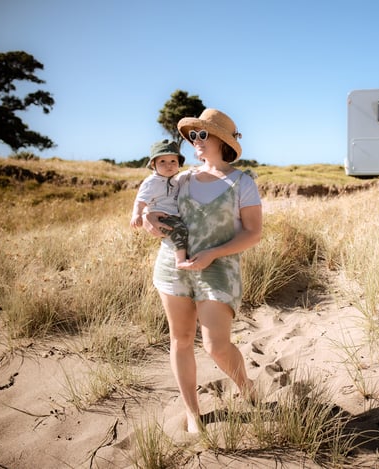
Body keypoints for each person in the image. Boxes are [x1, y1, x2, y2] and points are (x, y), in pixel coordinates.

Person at [143, 108, 262, 434]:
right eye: (192, 135)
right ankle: (193, 413)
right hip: (173, 266)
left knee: (215, 345)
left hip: (218, 268)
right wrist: (150, 219)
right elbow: (151, 205)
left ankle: (246, 385)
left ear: (222, 141)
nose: (194, 141)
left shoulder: (242, 182)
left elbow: (253, 232)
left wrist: (213, 253)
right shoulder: (179, 178)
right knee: (180, 340)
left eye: (202, 134)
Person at [130, 139, 190, 268]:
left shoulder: (175, 180)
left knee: (183, 231)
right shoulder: (151, 182)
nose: (169, 165)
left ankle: (182, 256)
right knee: (180, 231)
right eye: (162, 161)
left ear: (179, 164)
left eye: (173, 161)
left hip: (174, 216)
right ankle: (180, 261)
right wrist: (137, 215)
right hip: (162, 217)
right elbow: (140, 201)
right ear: (153, 164)